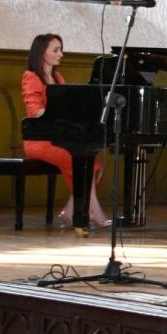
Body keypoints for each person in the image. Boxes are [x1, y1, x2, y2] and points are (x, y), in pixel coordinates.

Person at [21, 34, 110, 228]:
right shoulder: (31, 77)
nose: (61, 54)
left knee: (94, 164)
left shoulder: (58, 78)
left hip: (58, 137)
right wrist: (55, 113)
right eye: (56, 50)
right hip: (39, 141)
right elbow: (33, 110)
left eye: (61, 49)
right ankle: (94, 213)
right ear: (41, 53)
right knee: (80, 162)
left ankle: (70, 212)